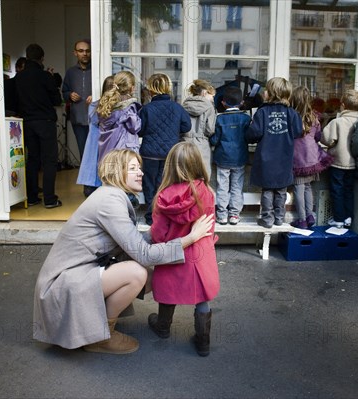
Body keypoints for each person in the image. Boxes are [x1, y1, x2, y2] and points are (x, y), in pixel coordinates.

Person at [33, 149, 214, 354]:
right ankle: (100, 337)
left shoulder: (110, 195)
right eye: (133, 168)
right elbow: (143, 254)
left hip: (78, 273)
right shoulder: (110, 202)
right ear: (117, 172)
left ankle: (95, 321)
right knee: (139, 274)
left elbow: (132, 243)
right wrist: (190, 237)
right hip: (61, 285)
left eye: (139, 168)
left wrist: (165, 233)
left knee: (149, 277)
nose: (141, 173)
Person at [148, 142, 219, 357]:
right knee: (202, 297)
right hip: (199, 252)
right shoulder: (206, 192)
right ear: (198, 163)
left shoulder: (162, 196)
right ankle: (203, 342)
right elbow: (209, 225)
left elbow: (158, 234)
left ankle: (163, 327)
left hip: (173, 252)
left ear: (170, 166)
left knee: (168, 290)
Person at [245, 77, 302, 229]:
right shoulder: (292, 113)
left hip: (266, 159)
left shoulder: (262, 112)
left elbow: (253, 134)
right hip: (284, 157)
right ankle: (279, 218)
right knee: (281, 189)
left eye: (266, 90)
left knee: (267, 190)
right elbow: (298, 132)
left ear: (271, 93)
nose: (263, 92)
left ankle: (267, 219)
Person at [139, 73, 191, 225]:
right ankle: (166, 215)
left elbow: (140, 130)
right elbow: (186, 126)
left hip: (150, 154)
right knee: (168, 185)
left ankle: (151, 217)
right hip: (170, 153)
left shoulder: (146, 109)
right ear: (168, 88)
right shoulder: (177, 108)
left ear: (151, 90)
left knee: (149, 185)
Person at [15, 43, 62, 209]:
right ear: (42, 58)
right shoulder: (45, 76)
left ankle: (32, 196)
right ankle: (49, 199)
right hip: (45, 122)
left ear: (26, 58)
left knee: (32, 159)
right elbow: (57, 100)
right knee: (49, 160)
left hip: (26, 123)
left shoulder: (18, 78)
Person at [289, 86, 333, 229]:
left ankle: (302, 220)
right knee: (308, 187)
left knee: (298, 188)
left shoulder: (292, 117)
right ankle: (310, 215)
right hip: (312, 158)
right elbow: (318, 136)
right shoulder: (314, 117)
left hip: (298, 159)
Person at [320, 89, 358, 228]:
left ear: (343, 105)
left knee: (337, 191)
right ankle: (348, 217)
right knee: (349, 191)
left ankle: (338, 218)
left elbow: (326, 139)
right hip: (354, 163)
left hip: (338, 162)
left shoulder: (337, 122)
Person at [210, 86, 251, 225]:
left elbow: (214, 140)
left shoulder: (220, 119)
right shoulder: (246, 118)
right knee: (237, 187)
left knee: (222, 186)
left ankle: (221, 215)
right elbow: (249, 137)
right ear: (241, 103)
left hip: (223, 158)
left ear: (223, 103)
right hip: (239, 158)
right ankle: (234, 214)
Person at [77, 75, 115, 197]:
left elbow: (93, 121)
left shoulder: (94, 106)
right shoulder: (116, 108)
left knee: (92, 171)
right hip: (107, 144)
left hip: (94, 144)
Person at [61, 39, 92, 160]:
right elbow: (64, 92)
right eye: (81, 51)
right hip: (78, 119)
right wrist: (69, 95)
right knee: (83, 154)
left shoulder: (96, 71)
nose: (85, 53)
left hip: (96, 120)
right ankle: (85, 179)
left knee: (98, 154)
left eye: (87, 51)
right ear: (75, 53)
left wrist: (97, 97)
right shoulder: (70, 72)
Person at [181, 79, 217, 175]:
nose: (213, 99)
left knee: (185, 176)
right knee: (201, 177)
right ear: (205, 93)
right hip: (202, 145)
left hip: (184, 143)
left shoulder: (184, 105)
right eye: (212, 96)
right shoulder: (209, 107)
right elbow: (210, 130)